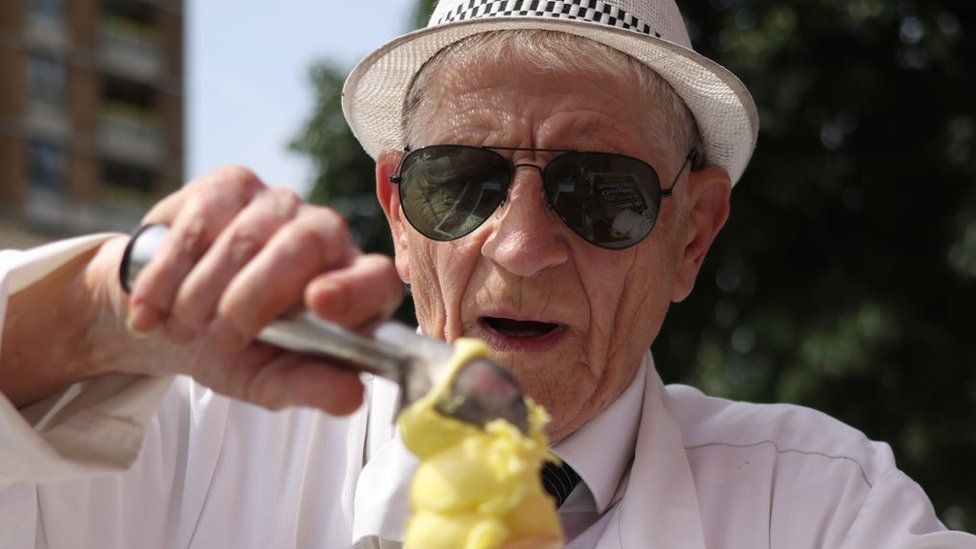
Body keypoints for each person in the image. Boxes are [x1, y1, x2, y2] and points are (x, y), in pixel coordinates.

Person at [1, 0, 973, 547]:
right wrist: (101, 309)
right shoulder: (189, 441)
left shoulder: (819, 511)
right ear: (394, 210)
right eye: (459, 183)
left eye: (602, 195)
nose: (520, 246)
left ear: (692, 234)